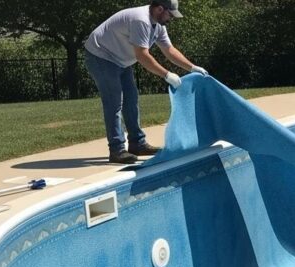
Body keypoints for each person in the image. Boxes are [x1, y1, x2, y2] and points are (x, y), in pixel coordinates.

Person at [84, 0, 208, 164]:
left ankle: (137, 144)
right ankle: (117, 150)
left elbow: (169, 51)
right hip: (101, 56)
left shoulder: (158, 25)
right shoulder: (141, 20)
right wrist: (166, 74)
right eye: (169, 14)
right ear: (159, 9)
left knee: (131, 100)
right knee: (114, 101)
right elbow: (142, 56)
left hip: (121, 60)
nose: (171, 18)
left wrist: (192, 67)